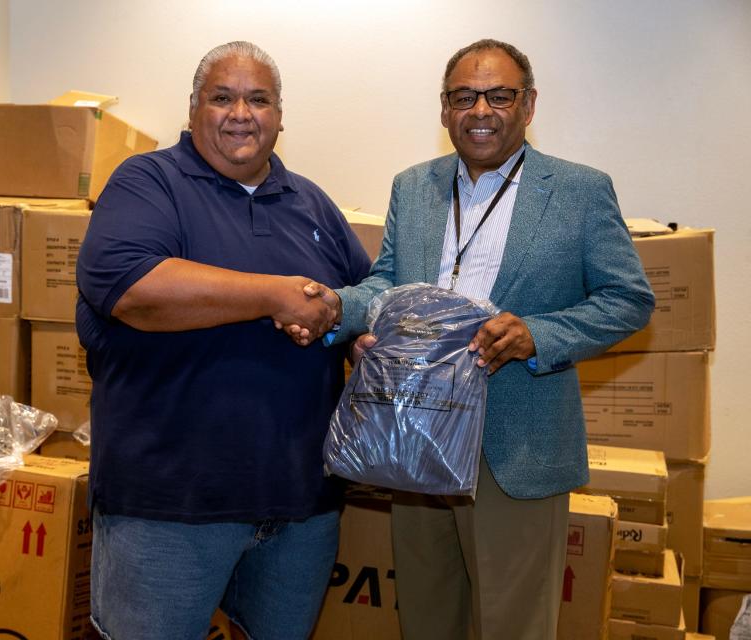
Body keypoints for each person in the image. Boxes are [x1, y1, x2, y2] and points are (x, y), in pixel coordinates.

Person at [315, 39, 655, 638]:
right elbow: (389, 282)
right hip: (414, 440)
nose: (481, 110)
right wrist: (339, 312)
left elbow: (628, 300)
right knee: (425, 617)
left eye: (499, 95)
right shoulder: (413, 186)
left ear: (528, 105)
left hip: (516, 447)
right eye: (464, 96)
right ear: (444, 108)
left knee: (511, 625)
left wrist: (537, 334)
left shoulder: (580, 191)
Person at [75, 41, 372, 639]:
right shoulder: (147, 181)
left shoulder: (312, 202)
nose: (242, 113)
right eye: (222, 97)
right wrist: (275, 295)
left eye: (258, 99)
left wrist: (358, 334)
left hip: (299, 505)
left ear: (280, 116)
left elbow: (361, 300)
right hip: (169, 506)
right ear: (193, 110)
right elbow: (129, 284)